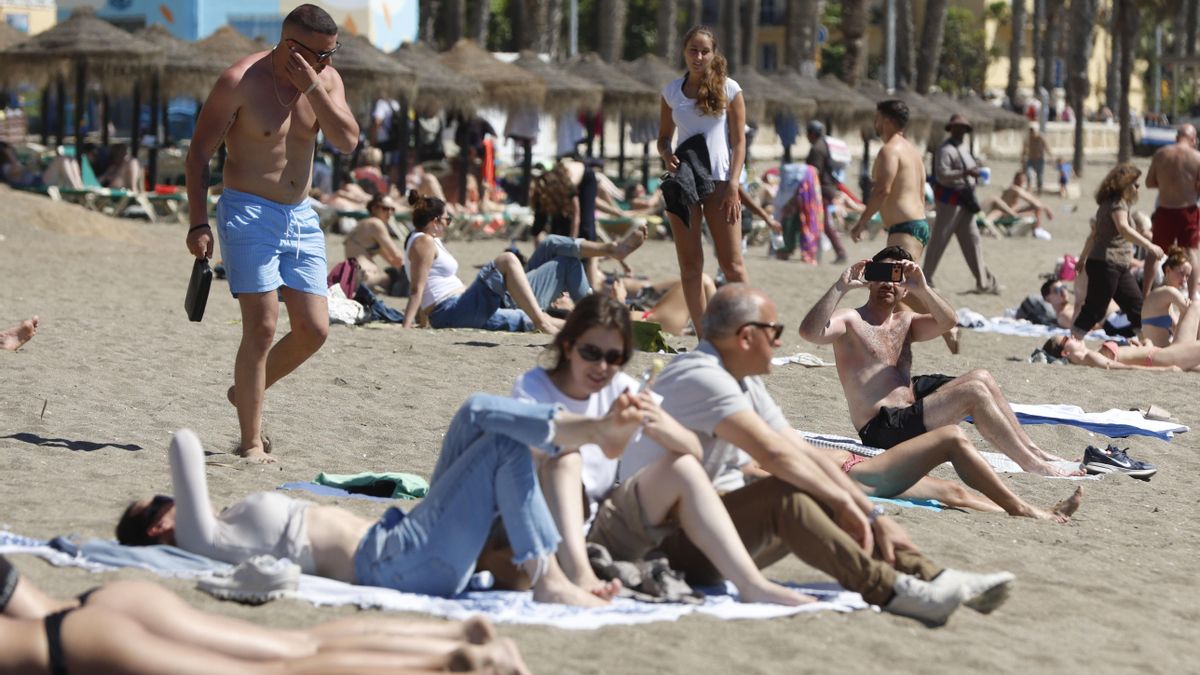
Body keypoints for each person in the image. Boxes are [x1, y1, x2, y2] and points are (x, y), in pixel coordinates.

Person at [616, 285, 1017, 626]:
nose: (778, 342)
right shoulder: (701, 376)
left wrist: (863, 508)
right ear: (744, 336)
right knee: (788, 493)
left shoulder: (739, 380)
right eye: (773, 331)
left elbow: (800, 450)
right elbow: (777, 456)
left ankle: (933, 577)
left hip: (715, 530)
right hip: (666, 547)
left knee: (819, 487)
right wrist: (867, 512)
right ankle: (895, 591)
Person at [117, 391, 666, 607]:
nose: (170, 501)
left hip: (403, 540)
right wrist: (183, 510)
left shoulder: (222, 527)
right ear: (159, 526)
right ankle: (550, 577)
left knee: (475, 413)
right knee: (502, 447)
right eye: (160, 503)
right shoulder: (200, 538)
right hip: (400, 564)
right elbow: (183, 443)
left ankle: (597, 429)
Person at [500, 294, 812, 606]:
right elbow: (536, 449)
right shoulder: (532, 388)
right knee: (565, 457)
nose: (602, 366)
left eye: (615, 357)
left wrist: (659, 422)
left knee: (683, 465)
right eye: (591, 353)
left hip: (602, 527)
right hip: (544, 529)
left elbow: (693, 452)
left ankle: (751, 584)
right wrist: (603, 428)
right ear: (568, 347)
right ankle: (581, 576)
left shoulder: (619, 385)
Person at [185, 5, 360, 462]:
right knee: (262, 327)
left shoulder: (327, 81)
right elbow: (199, 154)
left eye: (332, 52)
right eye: (320, 54)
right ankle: (250, 443)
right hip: (247, 210)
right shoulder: (240, 81)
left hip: (300, 214)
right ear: (289, 46)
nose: (328, 61)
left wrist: (313, 86)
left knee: (314, 330)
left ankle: (244, 390)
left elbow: (346, 140)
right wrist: (198, 222)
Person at [798, 246, 1081, 477]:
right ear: (870, 280)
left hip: (909, 400)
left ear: (904, 288)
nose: (887, 282)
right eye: (882, 273)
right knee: (973, 393)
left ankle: (1036, 452)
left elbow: (948, 321)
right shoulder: (851, 319)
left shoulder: (905, 321)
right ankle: (1033, 466)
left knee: (982, 377)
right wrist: (840, 286)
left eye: (895, 276)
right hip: (881, 426)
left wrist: (923, 288)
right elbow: (809, 332)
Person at [0, 554, 529, 674]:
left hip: (71, 648)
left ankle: (449, 663)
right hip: (92, 608)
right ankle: (455, 640)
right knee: (299, 645)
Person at [400, 192, 644, 334]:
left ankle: (613, 252)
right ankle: (555, 318)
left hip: (472, 306)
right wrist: (408, 327)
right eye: (447, 219)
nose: (449, 223)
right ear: (435, 221)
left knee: (553, 248)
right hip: (455, 311)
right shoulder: (423, 243)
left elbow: (424, 288)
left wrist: (421, 322)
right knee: (509, 259)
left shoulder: (429, 241)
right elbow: (416, 290)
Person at [657, 25, 748, 337]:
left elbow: (739, 142)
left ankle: (746, 329)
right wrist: (667, 154)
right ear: (684, 52)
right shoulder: (671, 92)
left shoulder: (730, 89)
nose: (698, 57)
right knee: (691, 265)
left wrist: (734, 183)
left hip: (721, 181)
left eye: (704, 51)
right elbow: (663, 139)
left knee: (732, 265)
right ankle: (704, 337)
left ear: (714, 53)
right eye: (693, 50)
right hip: (685, 182)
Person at [849, 100, 959, 354]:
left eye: (877, 118)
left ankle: (948, 325)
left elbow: (882, 190)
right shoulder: (910, 149)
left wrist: (861, 222)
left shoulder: (890, 150)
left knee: (896, 282)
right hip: (915, 224)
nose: (875, 123)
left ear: (886, 120)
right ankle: (901, 341)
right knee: (898, 288)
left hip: (906, 226)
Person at [1072, 164, 1159, 340]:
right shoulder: (1117, 204)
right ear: (1124, 184)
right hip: (1107, 263)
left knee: (1136, 306)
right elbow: (1123, 229)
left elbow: (1093, 235)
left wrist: (1082, 259)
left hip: (1117, 265)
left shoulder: (1108, 203)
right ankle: (1068, 345)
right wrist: (1150, 246)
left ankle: (1146, 345)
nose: (1137, 188)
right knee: (1095, 309)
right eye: (1135, 184)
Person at [925, 114, 1000, 294]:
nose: (961, 131)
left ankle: (984, 282)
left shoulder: (964, 148)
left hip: (965, 201)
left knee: (973, 241)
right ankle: (925, 279)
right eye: (957, 128)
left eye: (963, 128)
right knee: (939, 241)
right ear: (951, 129)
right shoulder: (944, 150)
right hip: (949, 201)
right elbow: (942, 174)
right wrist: (964, 172)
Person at [1144, 124, 1200, 299]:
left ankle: (1145, 295)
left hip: (1165, 208)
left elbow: (1149, 182)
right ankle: (1192, 297)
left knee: (1155, 252)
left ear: (1177, 137)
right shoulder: (1197, 157)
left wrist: (1169, 185)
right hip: (1188, 210)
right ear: (1193, 139)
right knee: (1191, 252)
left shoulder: (1161, 154)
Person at [343, 193, 407, 291]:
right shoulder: (375, 224)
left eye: (392, 209)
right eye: (385, 208)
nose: (389, 213)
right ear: (374, 208)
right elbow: (397, 256)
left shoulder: (365, 224)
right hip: (365, 276)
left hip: (354, 275)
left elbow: (393, 260)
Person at [804, 120, 848, 263]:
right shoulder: (824, 145)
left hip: (821, 190)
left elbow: (814, 171)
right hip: (827, 188)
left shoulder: (817, 148)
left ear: (812, 134)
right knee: (821, 221)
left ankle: (840, 253)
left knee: (822, 222)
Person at [1142, 246, 1194, 346]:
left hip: (1158, 350)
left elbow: (1177, 329)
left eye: (1187, 276)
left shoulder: (1160, 292)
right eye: (1181, 273)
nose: (1184, 280)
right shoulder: (1169, 291)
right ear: (1168, 270)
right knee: (1196, 307)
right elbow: (1191, 313)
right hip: (1161, 354)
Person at [981, 171, 1054, 236]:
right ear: (1016, 179)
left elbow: (1033, 200)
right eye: (1022, 180)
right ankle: (1036, 230)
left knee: (1036, 207)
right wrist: (1047, 208)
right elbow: (1033, 202)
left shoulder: (1012, 188)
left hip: (1009, 212)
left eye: (1023, 180)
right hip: (1005, 214)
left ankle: (1036, 229)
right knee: (1036, 207)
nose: (1023, 182)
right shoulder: (1015, 189)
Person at [1020, 127, 1052, 194]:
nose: (1032, 134)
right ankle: (1029, 188)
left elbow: (1047, 147)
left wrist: (1051, 156)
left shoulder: (1041, 138)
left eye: (1033, 132)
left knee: (1039, 176)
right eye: (1031, 132)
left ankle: (1039, 190)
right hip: (1031, 159)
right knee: (1028, 173)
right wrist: (1022, 158)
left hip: (1039, 160)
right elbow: (1024, 149)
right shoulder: (1028, 139)